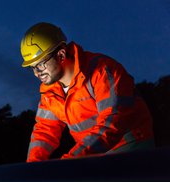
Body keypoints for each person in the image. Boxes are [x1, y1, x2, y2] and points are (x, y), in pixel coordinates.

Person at [20, 22, 155, 162]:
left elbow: (111, 123)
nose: (36, 73)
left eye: (41, 65)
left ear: (61, 55)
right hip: (93, 154)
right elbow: (44, 131)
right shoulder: (50, 92)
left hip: (130, 146)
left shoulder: (102, 71)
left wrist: (71, 160)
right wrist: (33, 165)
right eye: (32, 67)